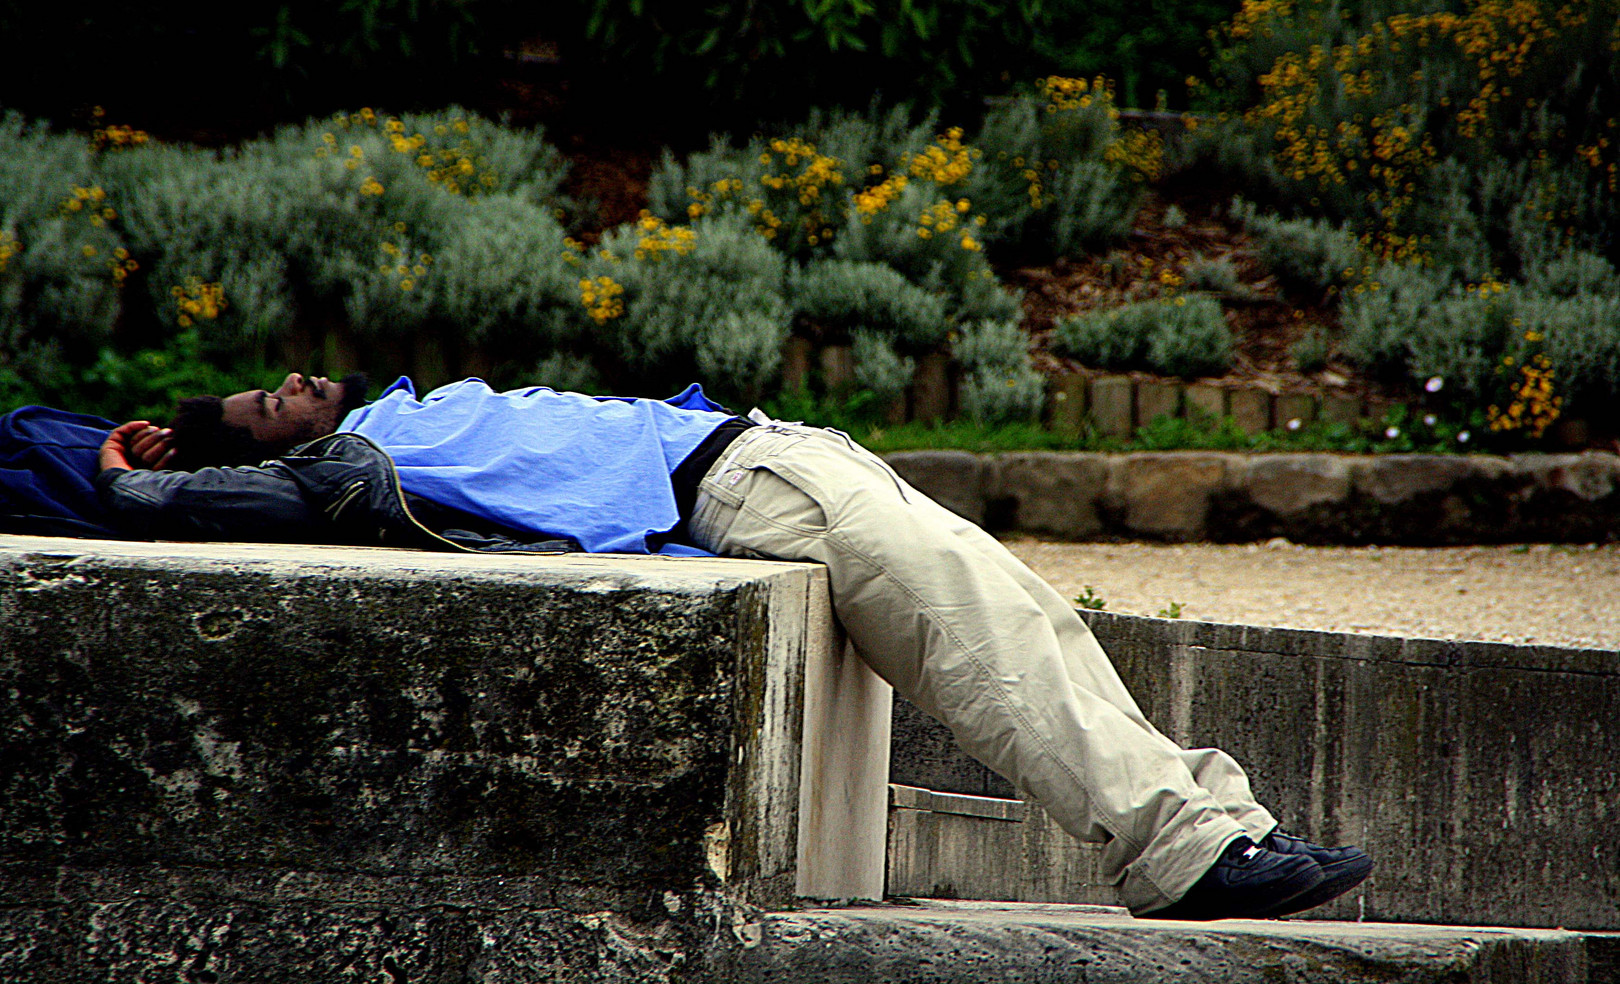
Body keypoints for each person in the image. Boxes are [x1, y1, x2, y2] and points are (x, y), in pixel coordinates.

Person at [90, 371, 1373, 920]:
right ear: (267, 444)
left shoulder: (405, 412)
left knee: (1031, 618)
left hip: (792, 452)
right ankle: (1188, 854)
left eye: (289, 384)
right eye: (269, 402)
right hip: (747, 487)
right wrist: (142, 474)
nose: (298, 386)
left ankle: (1222, 829)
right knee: (991, 647)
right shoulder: (348, 464)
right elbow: (223, 498)